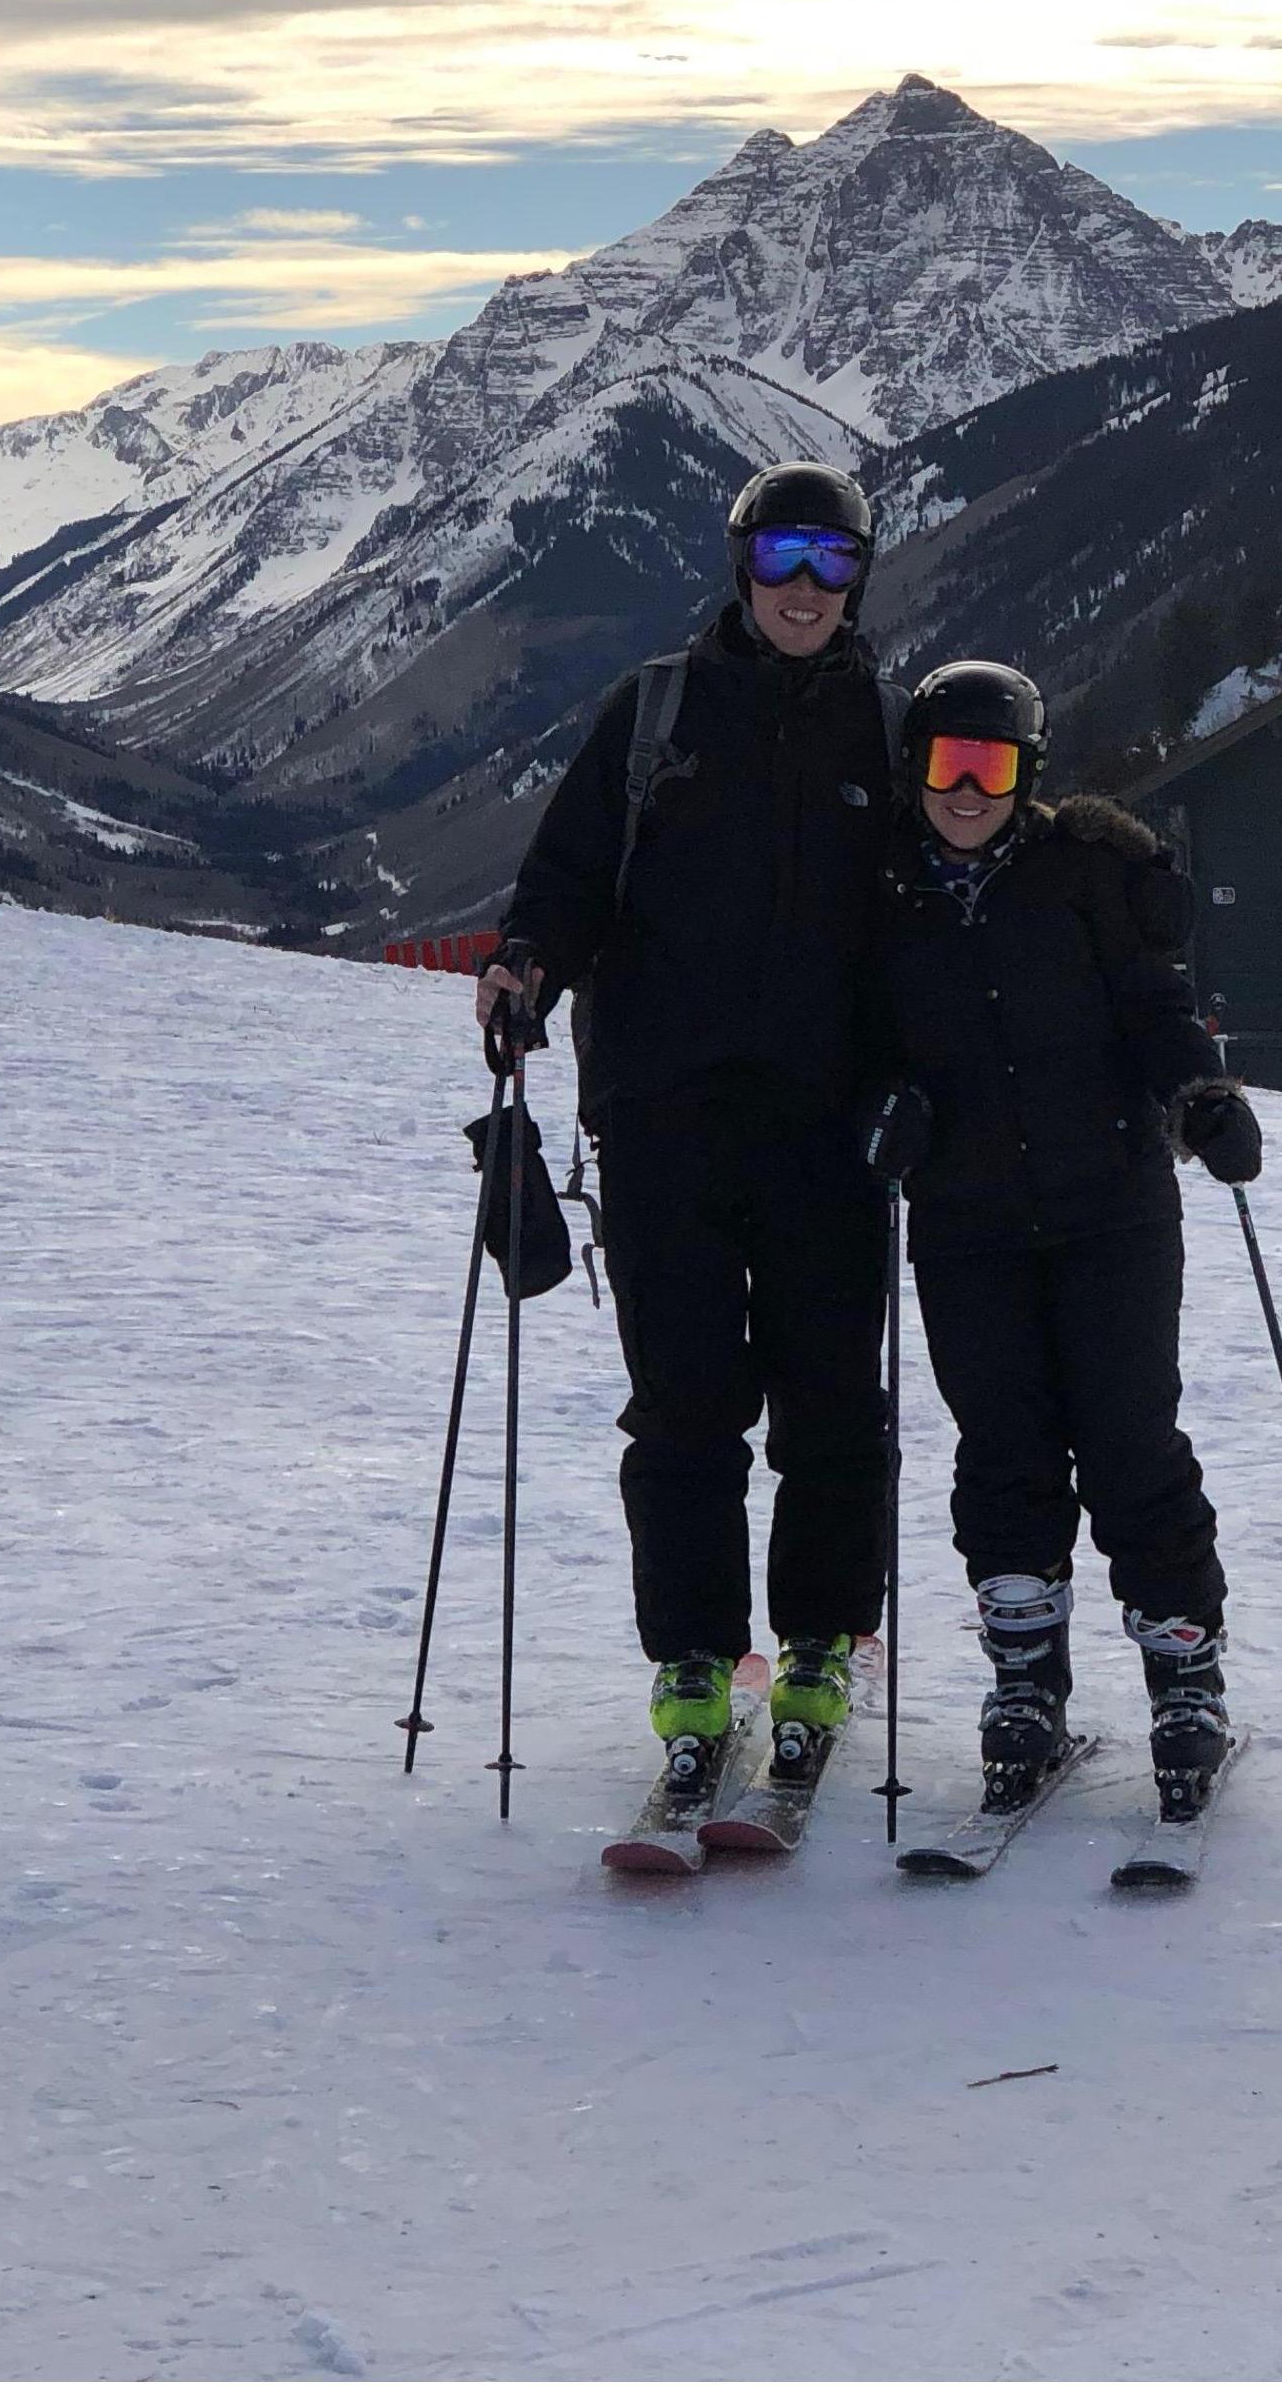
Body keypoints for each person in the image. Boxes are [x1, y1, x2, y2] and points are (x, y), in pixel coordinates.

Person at [476, 463, 894, 1804]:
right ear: (738, 565)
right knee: (685, 1410)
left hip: (832, 1131)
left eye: (833, 562)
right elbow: (567, 877)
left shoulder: (886, 730)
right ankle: (698, 1670)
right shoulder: (657, 713)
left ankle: (821, 1647)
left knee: (833, 1404)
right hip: (665, 1121)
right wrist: (527, 962)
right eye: (783, 556)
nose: (805, 588)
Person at [858, 659, 1263, 1824]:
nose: (967, 789)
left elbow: (1152, 1011)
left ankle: (1183, 1669)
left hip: (1111, 1210)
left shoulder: (1084, 877)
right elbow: (857, 1041)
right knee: (1004, 1448)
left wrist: (1199, 1096)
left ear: (1026, 773)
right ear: (917, 770)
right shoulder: (883, 893)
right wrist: (881, 1114)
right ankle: (1025, 1682)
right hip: (967, 1221)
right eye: (947, 764)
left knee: (1130, 1437)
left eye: (991, 765)